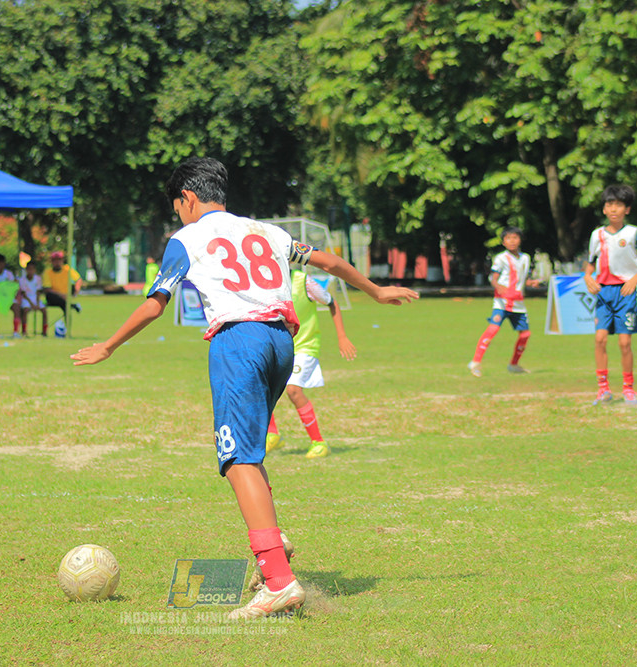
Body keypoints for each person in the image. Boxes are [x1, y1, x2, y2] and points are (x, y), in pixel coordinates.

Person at [71, 157, 419, 619]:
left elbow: (155, 305)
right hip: (282, 342)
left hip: (239, 342)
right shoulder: (266, 231)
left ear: (187, 199)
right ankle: (275, 545)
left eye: (177, 207)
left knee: (238, 459)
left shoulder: (185, 239)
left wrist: (109, 346)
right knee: (251, 450)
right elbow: (330, 261)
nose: (178, 215)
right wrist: (375, 291)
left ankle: (277, 581)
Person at [265, 270, 356, 460]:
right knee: (263, 386)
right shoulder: (265, 281)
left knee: (293, 391)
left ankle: (319, 442)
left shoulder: (303, 281)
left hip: (305, 345)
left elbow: (332, 302)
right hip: (280, 345)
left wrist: (342, 337)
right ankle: (273, 435)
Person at [583, 185, 637, 405]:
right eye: (609, 204)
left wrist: (634, 279)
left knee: (624, 343)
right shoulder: (597, 235)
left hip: (625, 292)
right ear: (604, 209)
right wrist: (588, 278)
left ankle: (629, 389)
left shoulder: (633, 233)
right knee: (600, 338)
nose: (613, 209)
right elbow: (589, 264)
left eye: (618, 205)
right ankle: (603, 388)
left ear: (627, 209)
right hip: (604, 293)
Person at [467, 227, 542, 377]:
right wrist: (498, 287)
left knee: (525, 334)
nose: (512, 241)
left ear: (520, 240)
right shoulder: (501, 258)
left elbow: (520, 279)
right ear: (503, 242)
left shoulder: (525, 258)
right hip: (502, 302)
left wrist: (530, 282)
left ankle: (514, 364)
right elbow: (493, 278)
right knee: (492, 330)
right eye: (508, 238)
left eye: (515, 238)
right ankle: (475, 362)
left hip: (518, 304)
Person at [12, 260, 47, 337]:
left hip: (35, 299)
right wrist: (31, 304)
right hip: (27, 299)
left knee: (44, 311)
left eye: (32, 269)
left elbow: (38, 292)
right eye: (29, 269)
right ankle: (24, 331)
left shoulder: (38, 279)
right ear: (26, 270)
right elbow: (24, 294)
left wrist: (37, 304)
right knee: (25, 310)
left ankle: (44, 332)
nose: (30, 271)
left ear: (35, 270)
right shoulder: (22, 280)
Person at [43, 250, 83, 318]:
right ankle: (72, 305)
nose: (57, 262)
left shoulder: (67, 269)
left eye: (59, 260)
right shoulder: (47, 272)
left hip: (66, 296)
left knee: (65, 304)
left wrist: (76, 291)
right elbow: (47, 289)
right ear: (52, 261)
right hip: (54, 297)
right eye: (55, 260)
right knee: (51, 296)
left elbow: (78, 280)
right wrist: (62, 295)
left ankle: (67, 325)